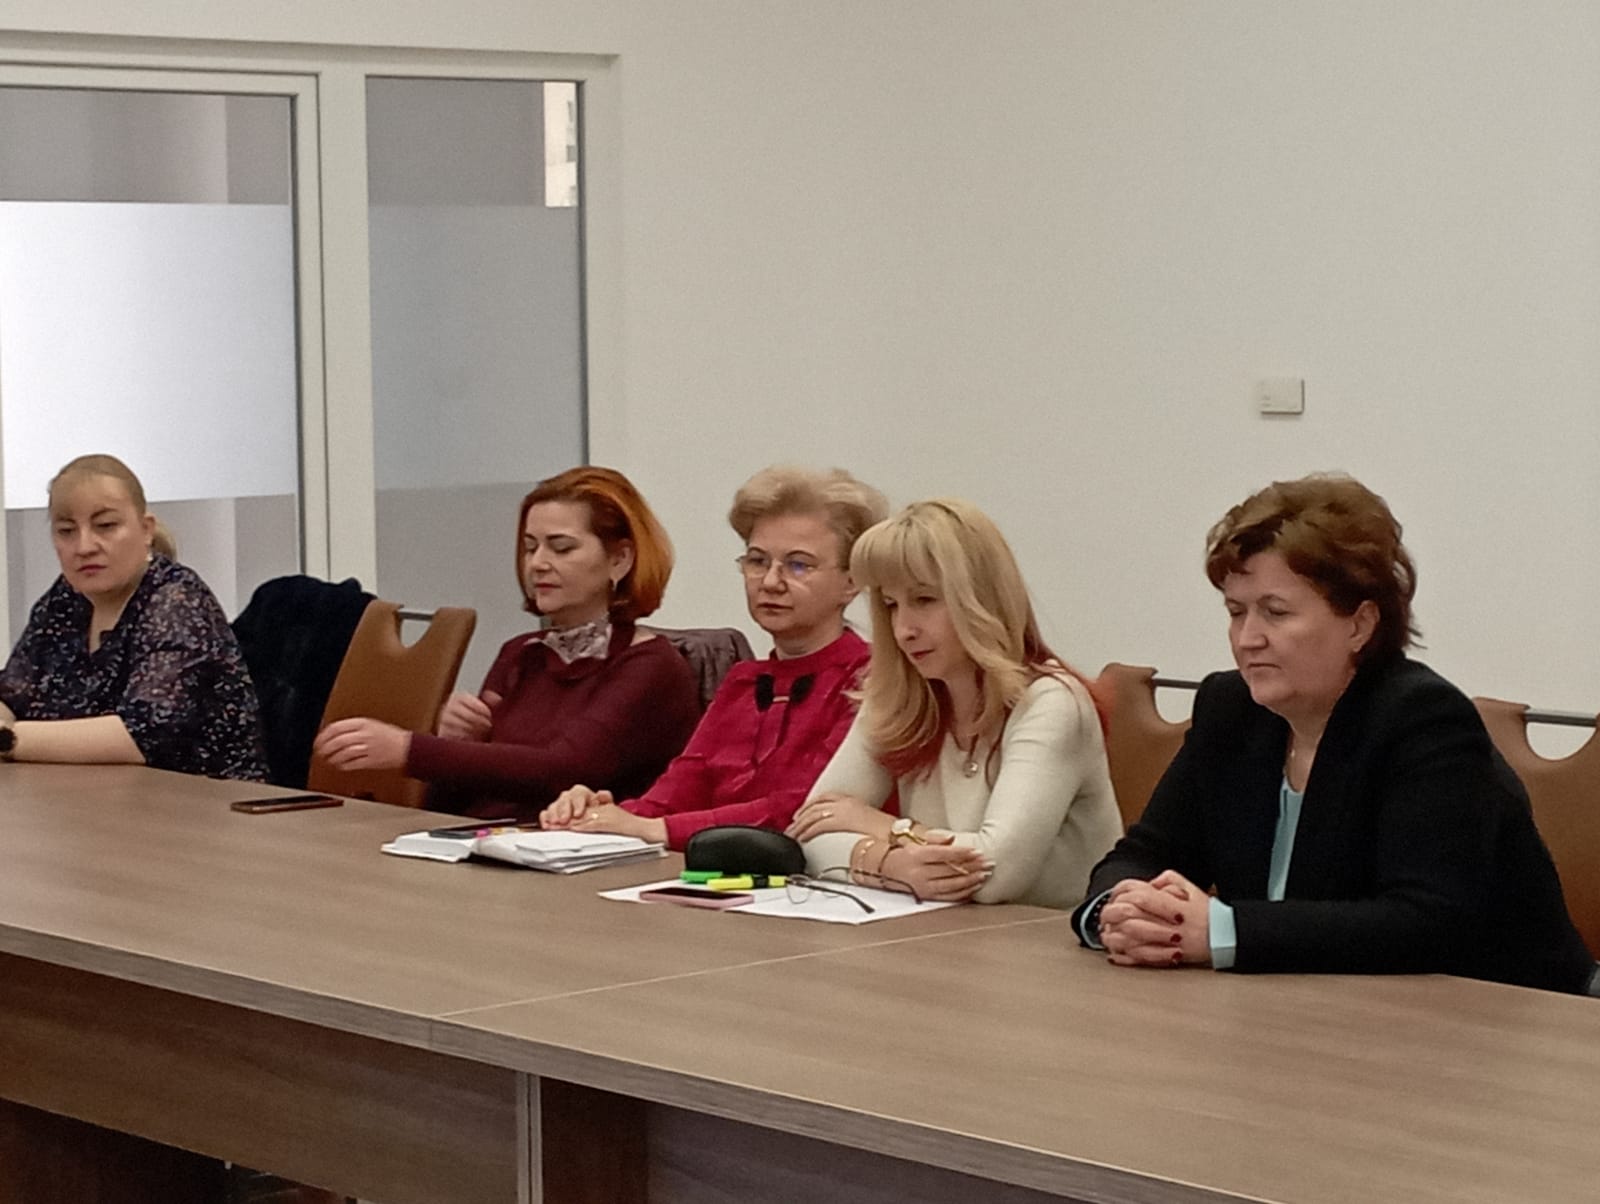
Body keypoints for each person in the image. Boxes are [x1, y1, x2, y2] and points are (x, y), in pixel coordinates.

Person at [1076, 473, 1598, 996]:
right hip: (1301, 1007)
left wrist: (1223, 931)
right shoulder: (1230, 709)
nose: (1247, 638)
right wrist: (1120, 909)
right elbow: (1145, 851)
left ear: (1360, 625)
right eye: (1236, 612)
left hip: (1504, 1012)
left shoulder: (1424, 720)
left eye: (1275, 613)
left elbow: (1426, 922)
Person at [786, 499, 1121, 907]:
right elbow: (807, 834)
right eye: (891, 605)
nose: (903, 629)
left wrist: (884, 828)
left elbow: (996, 875)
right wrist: (890, 863)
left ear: (981, 598)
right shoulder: (898, 695)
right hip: (943, 933)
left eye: (924, 600)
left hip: (1047, 940)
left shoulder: (1053, 704)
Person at [314, 466, 699, 820]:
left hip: (580, 856)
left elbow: (563, 770)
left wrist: (408, 749)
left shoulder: (651, 666)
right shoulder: (521, 653)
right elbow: (457, 802)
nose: (537, 563)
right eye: (531, 547)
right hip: (489, 846)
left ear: (620, 560)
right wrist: (460, 740)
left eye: (561, 548)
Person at [541, 466, 888, 848]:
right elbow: (674, 794)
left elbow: (802, 810)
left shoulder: (872, 680)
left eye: (798, 565)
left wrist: (656, 829)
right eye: (757, 561)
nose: (770, 582)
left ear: (851, 582)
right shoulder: (744, 680)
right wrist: (597, 815)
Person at [0, 454, 266, 781]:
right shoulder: (66, 599)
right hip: (88, 794)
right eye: (66, 531)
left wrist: (9, 739)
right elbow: (12, 694)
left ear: (145, 529)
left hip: (203, 803)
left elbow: (141, 735)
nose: (84, 546)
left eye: (106, 526)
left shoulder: (176, 600)